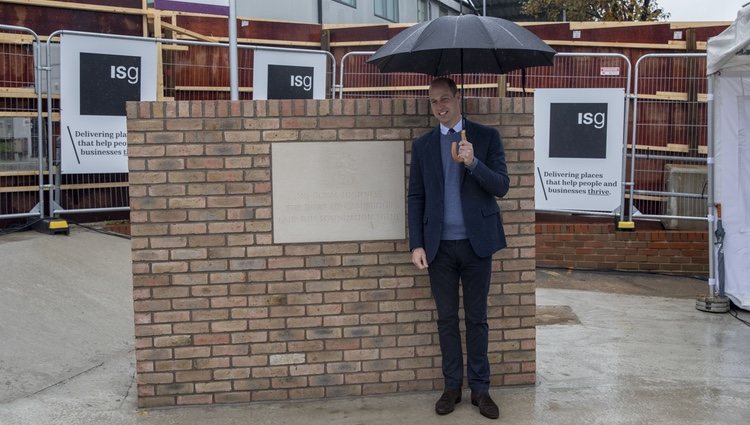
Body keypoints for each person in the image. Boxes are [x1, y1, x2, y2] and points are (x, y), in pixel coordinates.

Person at [408, 77, 509, 420]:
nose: (440, 107)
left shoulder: (485, 137)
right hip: (439, 248)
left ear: (458, 98)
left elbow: (502, 187)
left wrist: (473, 163)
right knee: (447, 319)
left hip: (477, 244)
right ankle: (453, 387)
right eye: (434, 101)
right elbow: (416, 197)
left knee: (477, 319)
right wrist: (416, 243)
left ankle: (480, 389)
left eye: (446, 99)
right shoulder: (423, 147)